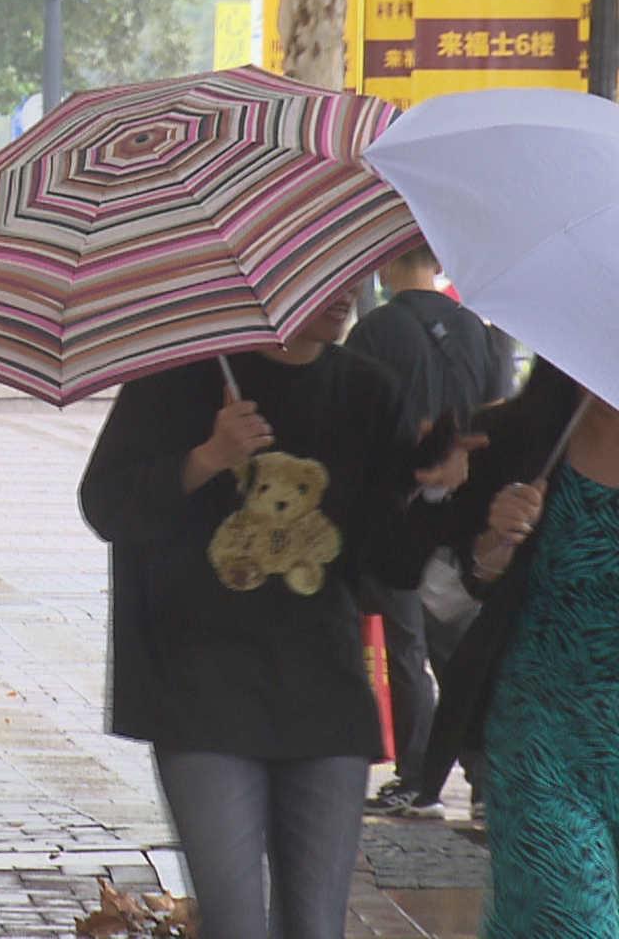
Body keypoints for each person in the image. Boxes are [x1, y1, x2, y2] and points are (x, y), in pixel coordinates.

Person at [77, 286, 479, 939]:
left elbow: (388, 566)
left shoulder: (366, 391)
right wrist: (206, 459)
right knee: (236, 921)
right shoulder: (182, 377)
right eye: (327, 277)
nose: (346, 291)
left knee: (315, 926)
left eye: (352, 273)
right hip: (200, 692)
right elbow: (106, 505)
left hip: (324, 691)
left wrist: (432, 489)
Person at [411, 361, 618, 936]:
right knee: (571, 921)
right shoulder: (517, 439)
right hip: (541, 732)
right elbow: (441, 581)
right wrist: (491, 545)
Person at [344, 246, 505, 819]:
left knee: (406, 647)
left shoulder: (375, 330)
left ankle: (417, 779)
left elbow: (356, 425)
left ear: (385, 266)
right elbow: (498, 418)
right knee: (464, 651)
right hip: (465, 518)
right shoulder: (478, 329)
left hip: (399, 513)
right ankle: (486, 782)